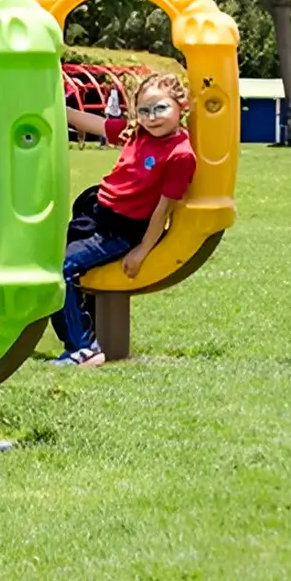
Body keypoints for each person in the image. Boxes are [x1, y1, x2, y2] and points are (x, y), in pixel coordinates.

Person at [52, 73, 196, 367]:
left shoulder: (180, 154)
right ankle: (87, 332)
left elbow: (162, 210)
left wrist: (142, 250)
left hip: (120, 231)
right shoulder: (137, 132)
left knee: (59, 269)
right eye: (144, 111)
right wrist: (55, 107)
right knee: (60, 263)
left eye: (160, 109)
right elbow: (95, 124)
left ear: (181, 105)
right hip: (96, 215)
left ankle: (82, 349)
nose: (152, 118)